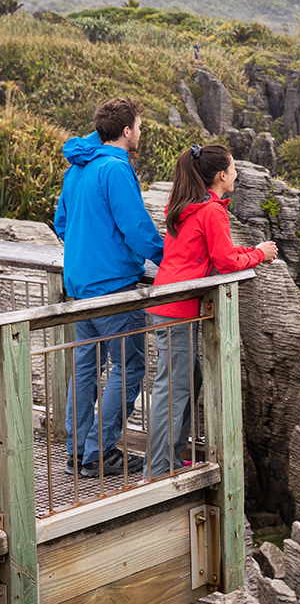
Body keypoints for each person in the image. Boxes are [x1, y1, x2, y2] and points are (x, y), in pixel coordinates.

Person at [144, 144, 277, 477]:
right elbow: (227, 262)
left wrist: (250, 251)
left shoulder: (189, 203)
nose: (236, 174)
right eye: (233, 169)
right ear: (221, 175)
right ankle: (159, 469)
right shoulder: (211, 210)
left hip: (170, 301)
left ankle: (170, 457)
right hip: (177, 307)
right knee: (173, 388)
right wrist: (259, 254)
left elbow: (220, 252)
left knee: (188, 379)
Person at [55, 97, 164, 477]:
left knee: (86, 369)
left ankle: (77, 453)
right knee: (129, 366)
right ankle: (101, 453)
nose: (140, 132)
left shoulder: (78, 168)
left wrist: (88, 250)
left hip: (80, 286)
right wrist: (169, 260)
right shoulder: (116, 169)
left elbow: (62, 224)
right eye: (139, 126)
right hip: (114, 287)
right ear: (126, 131)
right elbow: (137, 230)